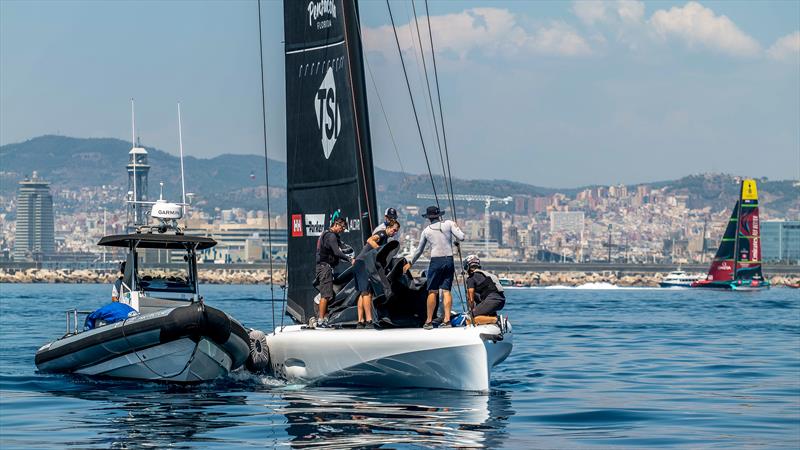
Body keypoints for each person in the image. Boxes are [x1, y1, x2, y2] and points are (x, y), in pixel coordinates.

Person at [410, 205, 465, 330]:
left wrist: (411, 263)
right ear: (439, 215)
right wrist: (455, 226)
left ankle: (429, 321)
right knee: (446, 291)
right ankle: (447, 321)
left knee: (432, 291)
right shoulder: (449, 223)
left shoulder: (426, 231)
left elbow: (419, 251)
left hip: (436, 261)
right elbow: (461, 237)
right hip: (449, 260)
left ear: (428, 218)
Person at [353, 219, 400, 328]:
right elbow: (370, 240)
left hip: (360, 263)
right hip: (363, 263)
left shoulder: (385, 237)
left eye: (396, 231)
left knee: (363, 293)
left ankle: (360, 321)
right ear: (388, 228)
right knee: (367, 292)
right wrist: (380, 249)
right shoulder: (382, 234)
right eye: (394, 230)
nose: (394, 232)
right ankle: (369, 320)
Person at [314, 217, 353, 327]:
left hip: (326, 267)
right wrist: (350, 259)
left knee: (328, 294)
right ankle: (321, 320)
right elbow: (336, 252)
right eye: (342, 227)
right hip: (325, 268)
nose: (343, 230)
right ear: (336, 225)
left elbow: (341, 247)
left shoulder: (331, 235)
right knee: (325, 295)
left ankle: (324, 318)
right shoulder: (331, 236)